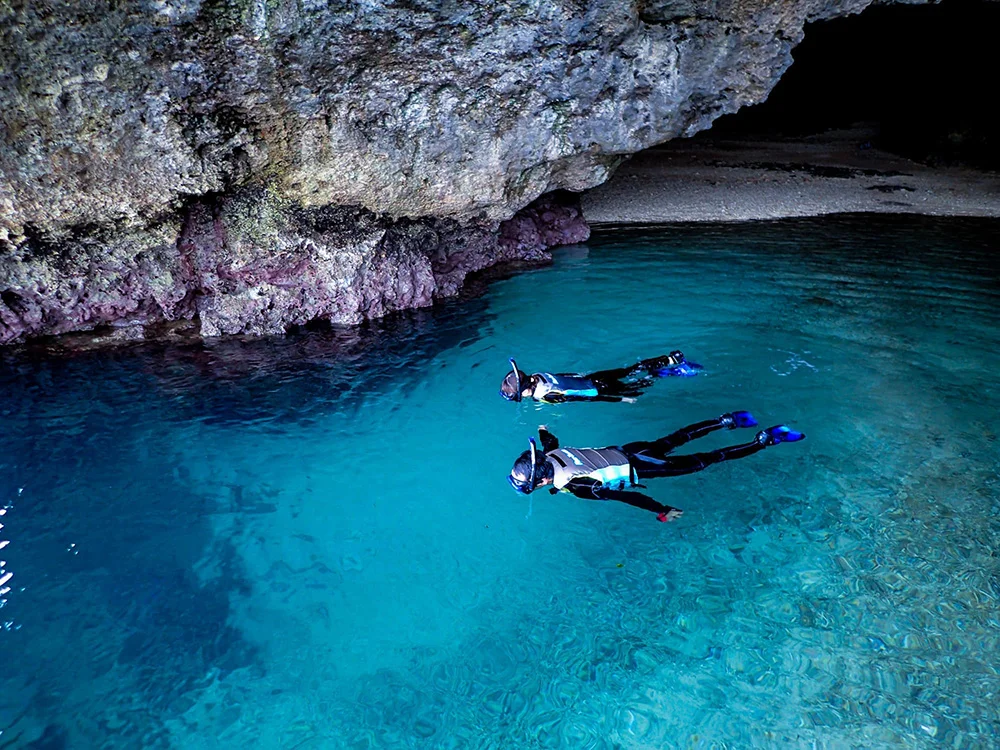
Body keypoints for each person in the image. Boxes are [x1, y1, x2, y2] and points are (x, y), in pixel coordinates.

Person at [506, 412, 804, 521]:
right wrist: (543, 428)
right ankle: (725, 420)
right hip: (629, 449)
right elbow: (550, 441)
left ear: (542, 482)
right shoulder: (552, 452)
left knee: (705, 461)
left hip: (642, 468)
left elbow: (624, 496)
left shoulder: (577, 486)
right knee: (675, 438)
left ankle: (762, 441)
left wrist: (659, 510)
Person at [499, 352, 701, 404]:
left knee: (641, 385)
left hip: (599, 389)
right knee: (631, 370)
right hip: (594, 377)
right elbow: (569, 377)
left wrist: (621, 399)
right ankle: (669, 359)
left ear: (524, 391)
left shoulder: (545, 397)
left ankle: (672, 373)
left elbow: (586, 398)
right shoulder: (538, 375)